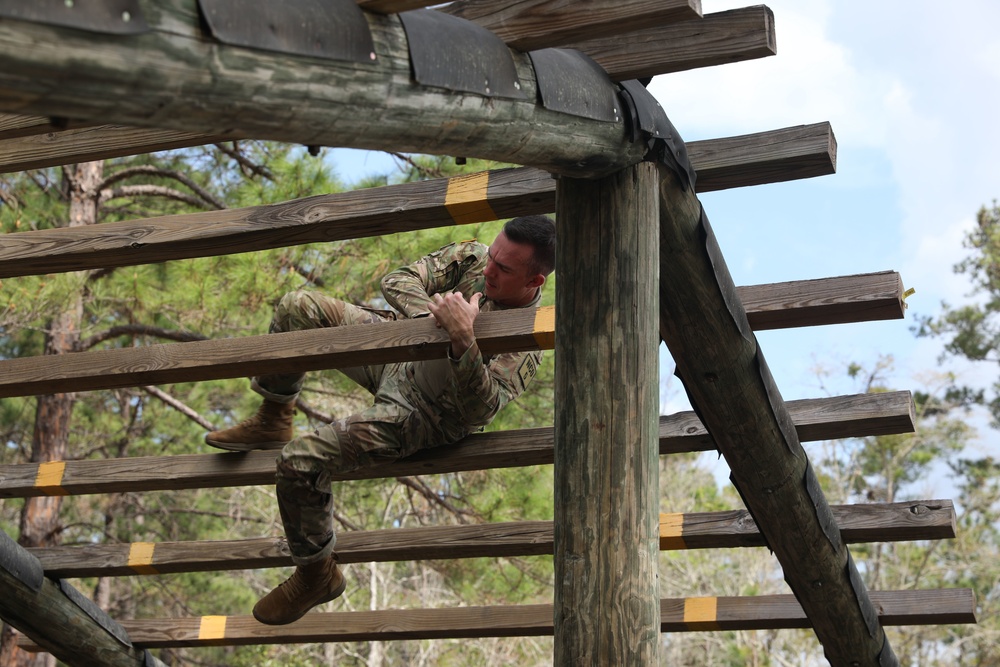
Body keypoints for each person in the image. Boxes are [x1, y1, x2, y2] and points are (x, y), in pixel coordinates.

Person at [204, 215, 556, 625]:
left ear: (534, 282)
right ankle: (274, 413)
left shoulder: (530, 341)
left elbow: (481, 410)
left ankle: (316, 573)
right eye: (493, 256)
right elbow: (397, 280)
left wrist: (464, 340)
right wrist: (435, 317)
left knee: (299, 460)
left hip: (420, 413)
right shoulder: (474, 257)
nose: (489, 270)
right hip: (398, 350)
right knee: (296, 307)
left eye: (505, 268)